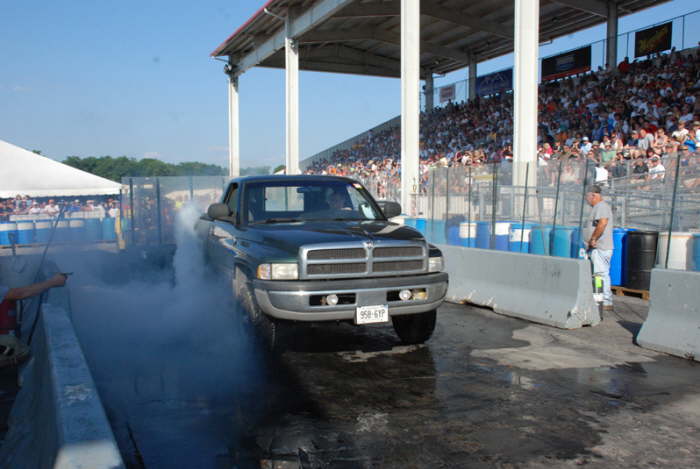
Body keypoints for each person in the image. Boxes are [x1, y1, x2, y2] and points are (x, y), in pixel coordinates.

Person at [583, 185, 614, 314]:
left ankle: (605, 300)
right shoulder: (598, 207)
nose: (587, 200)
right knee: (598, 274)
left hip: (600, 247)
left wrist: (594, 238)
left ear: (594, 195)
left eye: (587, 197)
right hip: (598, 247)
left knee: (601, 274)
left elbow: (602, 223)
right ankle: (599, 298)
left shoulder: (601, 207)